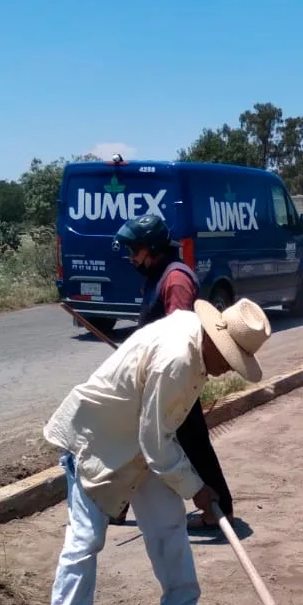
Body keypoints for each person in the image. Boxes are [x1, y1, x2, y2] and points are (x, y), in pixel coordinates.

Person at [42, 297, 272, 605]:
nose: (224, 372)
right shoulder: (177, 360)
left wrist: (191, 484)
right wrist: (197, 488)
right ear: (217, 342)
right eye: (229, 361)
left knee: (167, 525)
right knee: (84, 542)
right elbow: (156, 442)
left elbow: (156, 437)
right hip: (99, 443)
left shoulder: (194, 340)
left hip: (142, 446)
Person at [113, 215, 237, 535]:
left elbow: (178, 334)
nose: (130, 258)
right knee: (154, 440)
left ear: (151, 248)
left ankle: (217, 509)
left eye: (134, 251)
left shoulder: (176, 279)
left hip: (172, 376)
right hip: (158, 375)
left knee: (187, 442)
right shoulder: (159, 274)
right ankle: (116, 505)